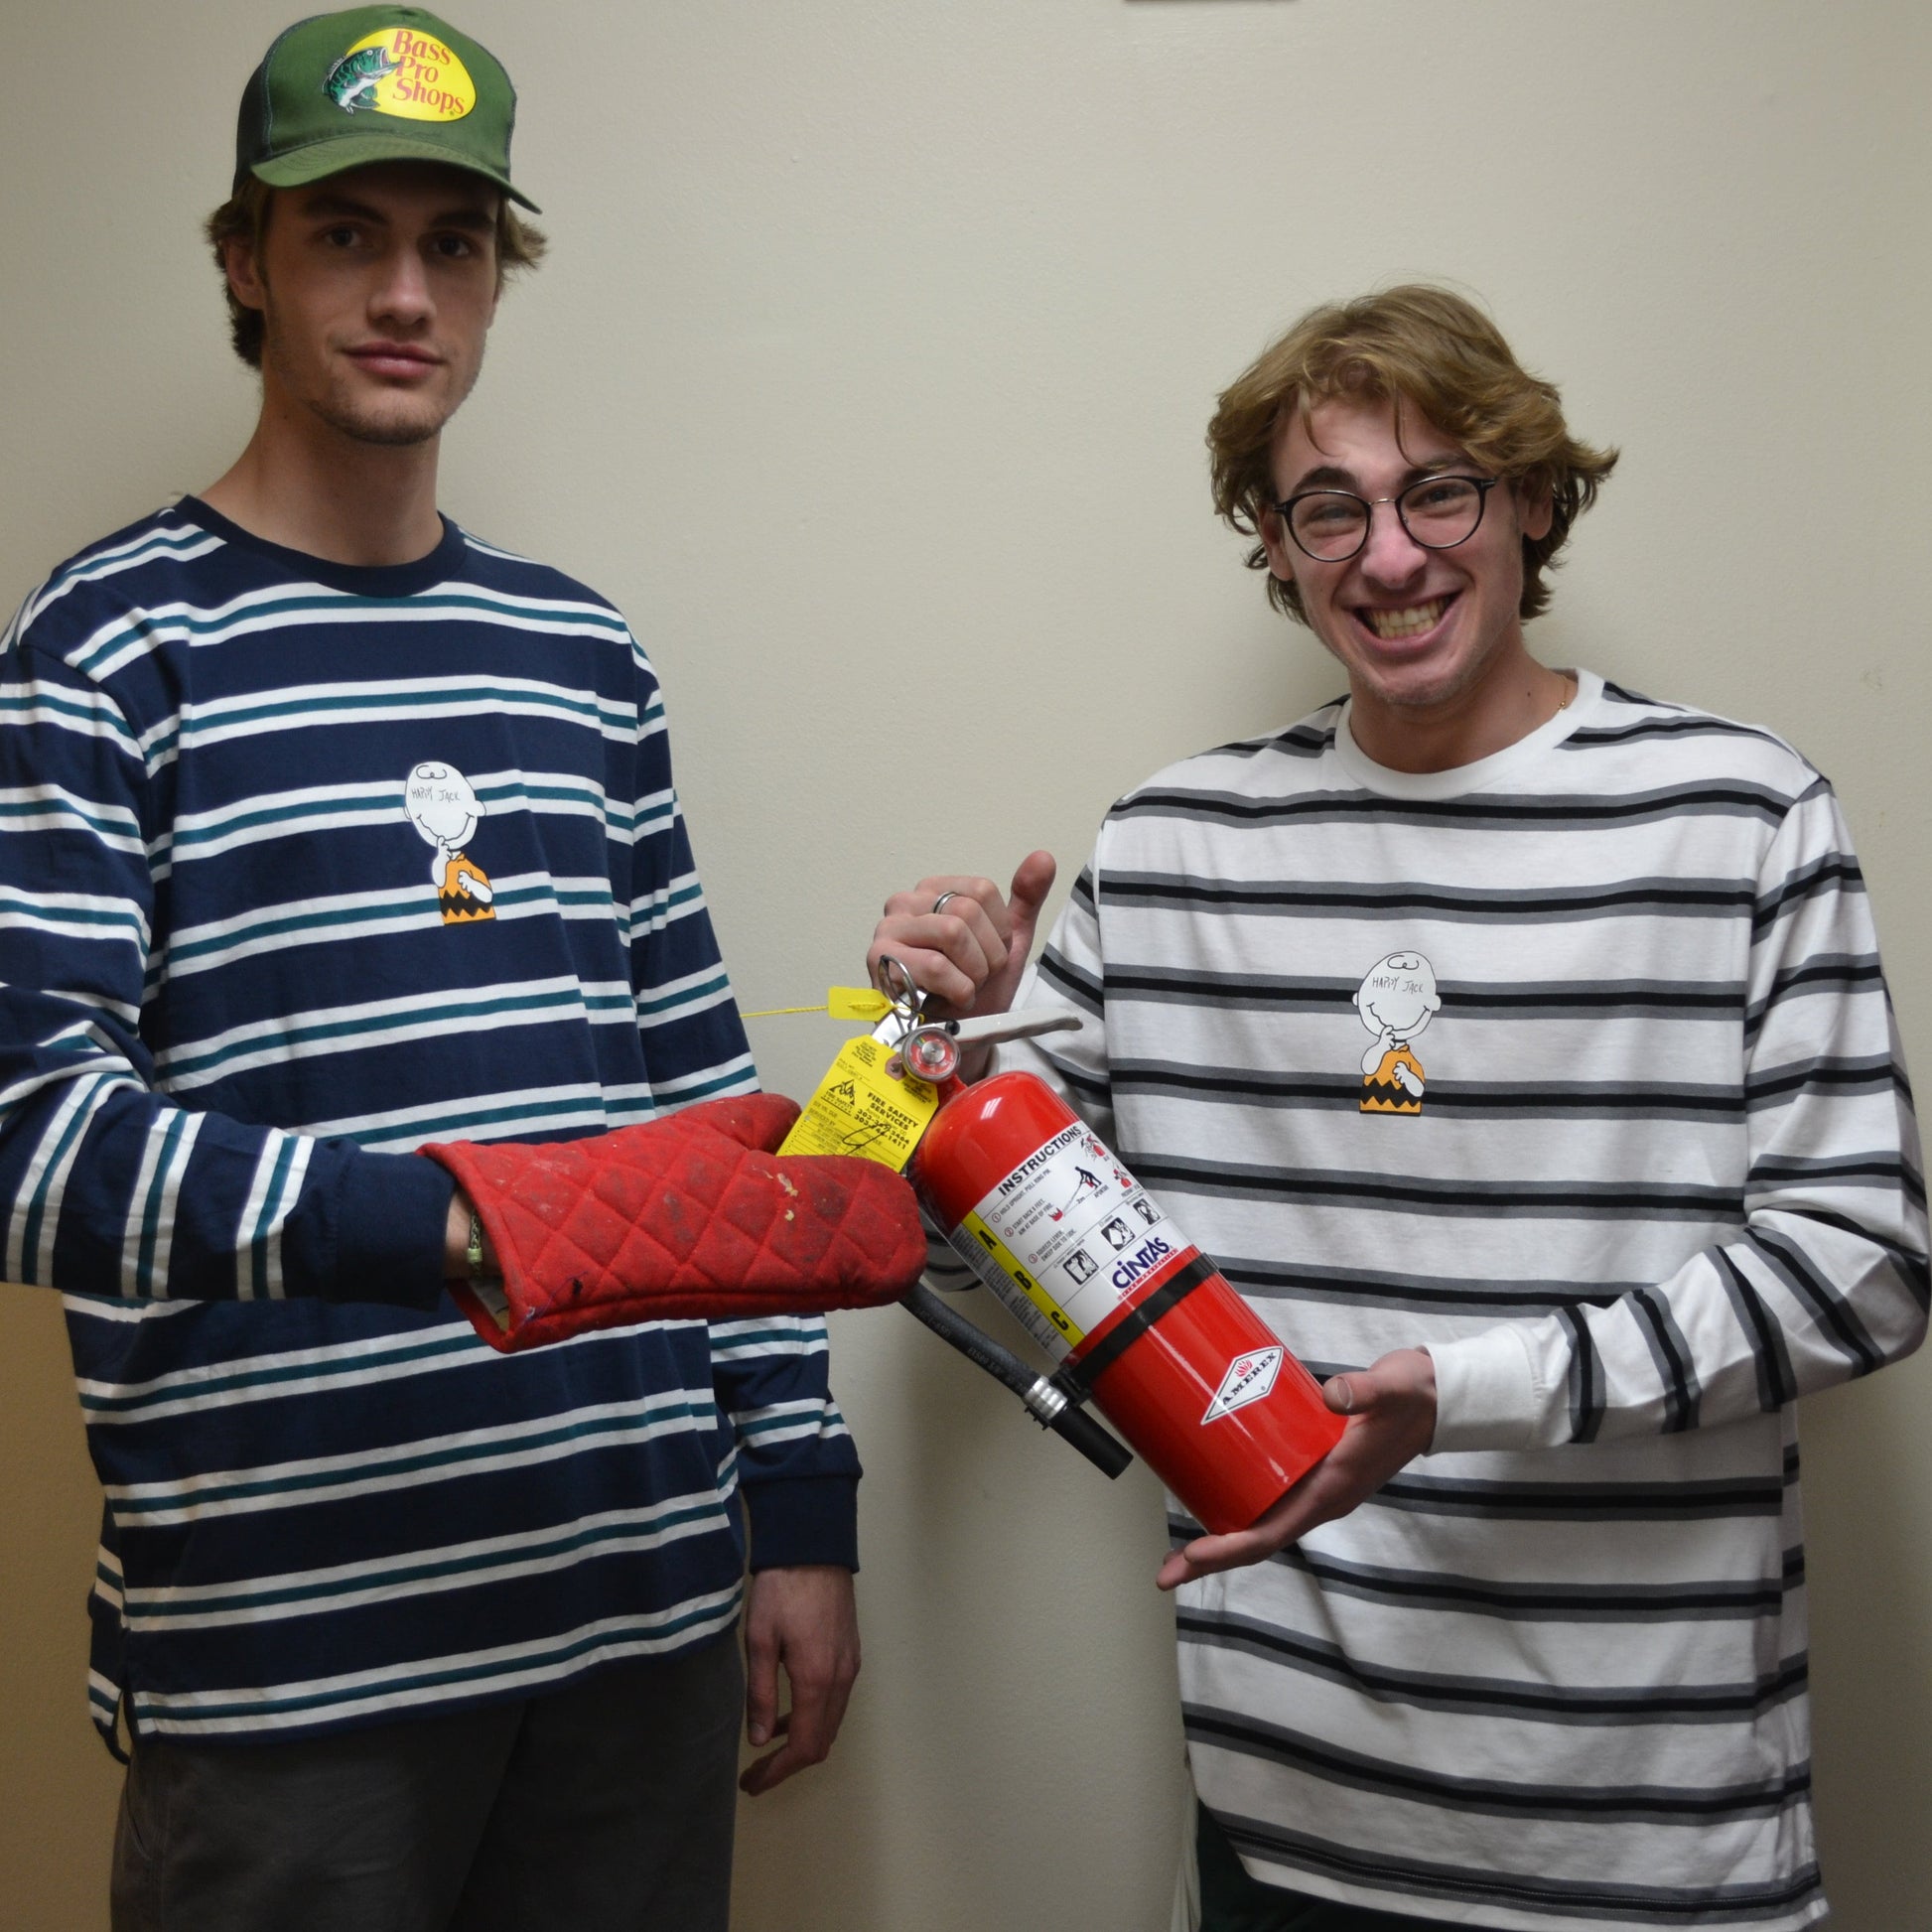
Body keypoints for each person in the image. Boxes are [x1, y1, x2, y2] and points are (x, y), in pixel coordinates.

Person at [0, 11, 909, 1928]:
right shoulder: (103, 647)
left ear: (500, 273)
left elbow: (698, 1097)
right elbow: (29, 1142)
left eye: (455, 239)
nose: (406, 292)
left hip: (636, 1614)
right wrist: (464, 1222)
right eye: (345, 236)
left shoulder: (579, 654)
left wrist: (798, 1507)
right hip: (288, 1665)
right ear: (244, 259)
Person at [870, 286, 1928, 1932]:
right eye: (1326, 507)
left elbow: (1861, 1263)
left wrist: (1467, 1392)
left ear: (1530, 504)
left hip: (1649, 1840)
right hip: (1286, 1824)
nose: (1386, 553)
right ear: (1274, 549)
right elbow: (953, 1268)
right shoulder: (1167, 848)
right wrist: (934, 1065)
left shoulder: (1741, 813)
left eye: (1439, 488)